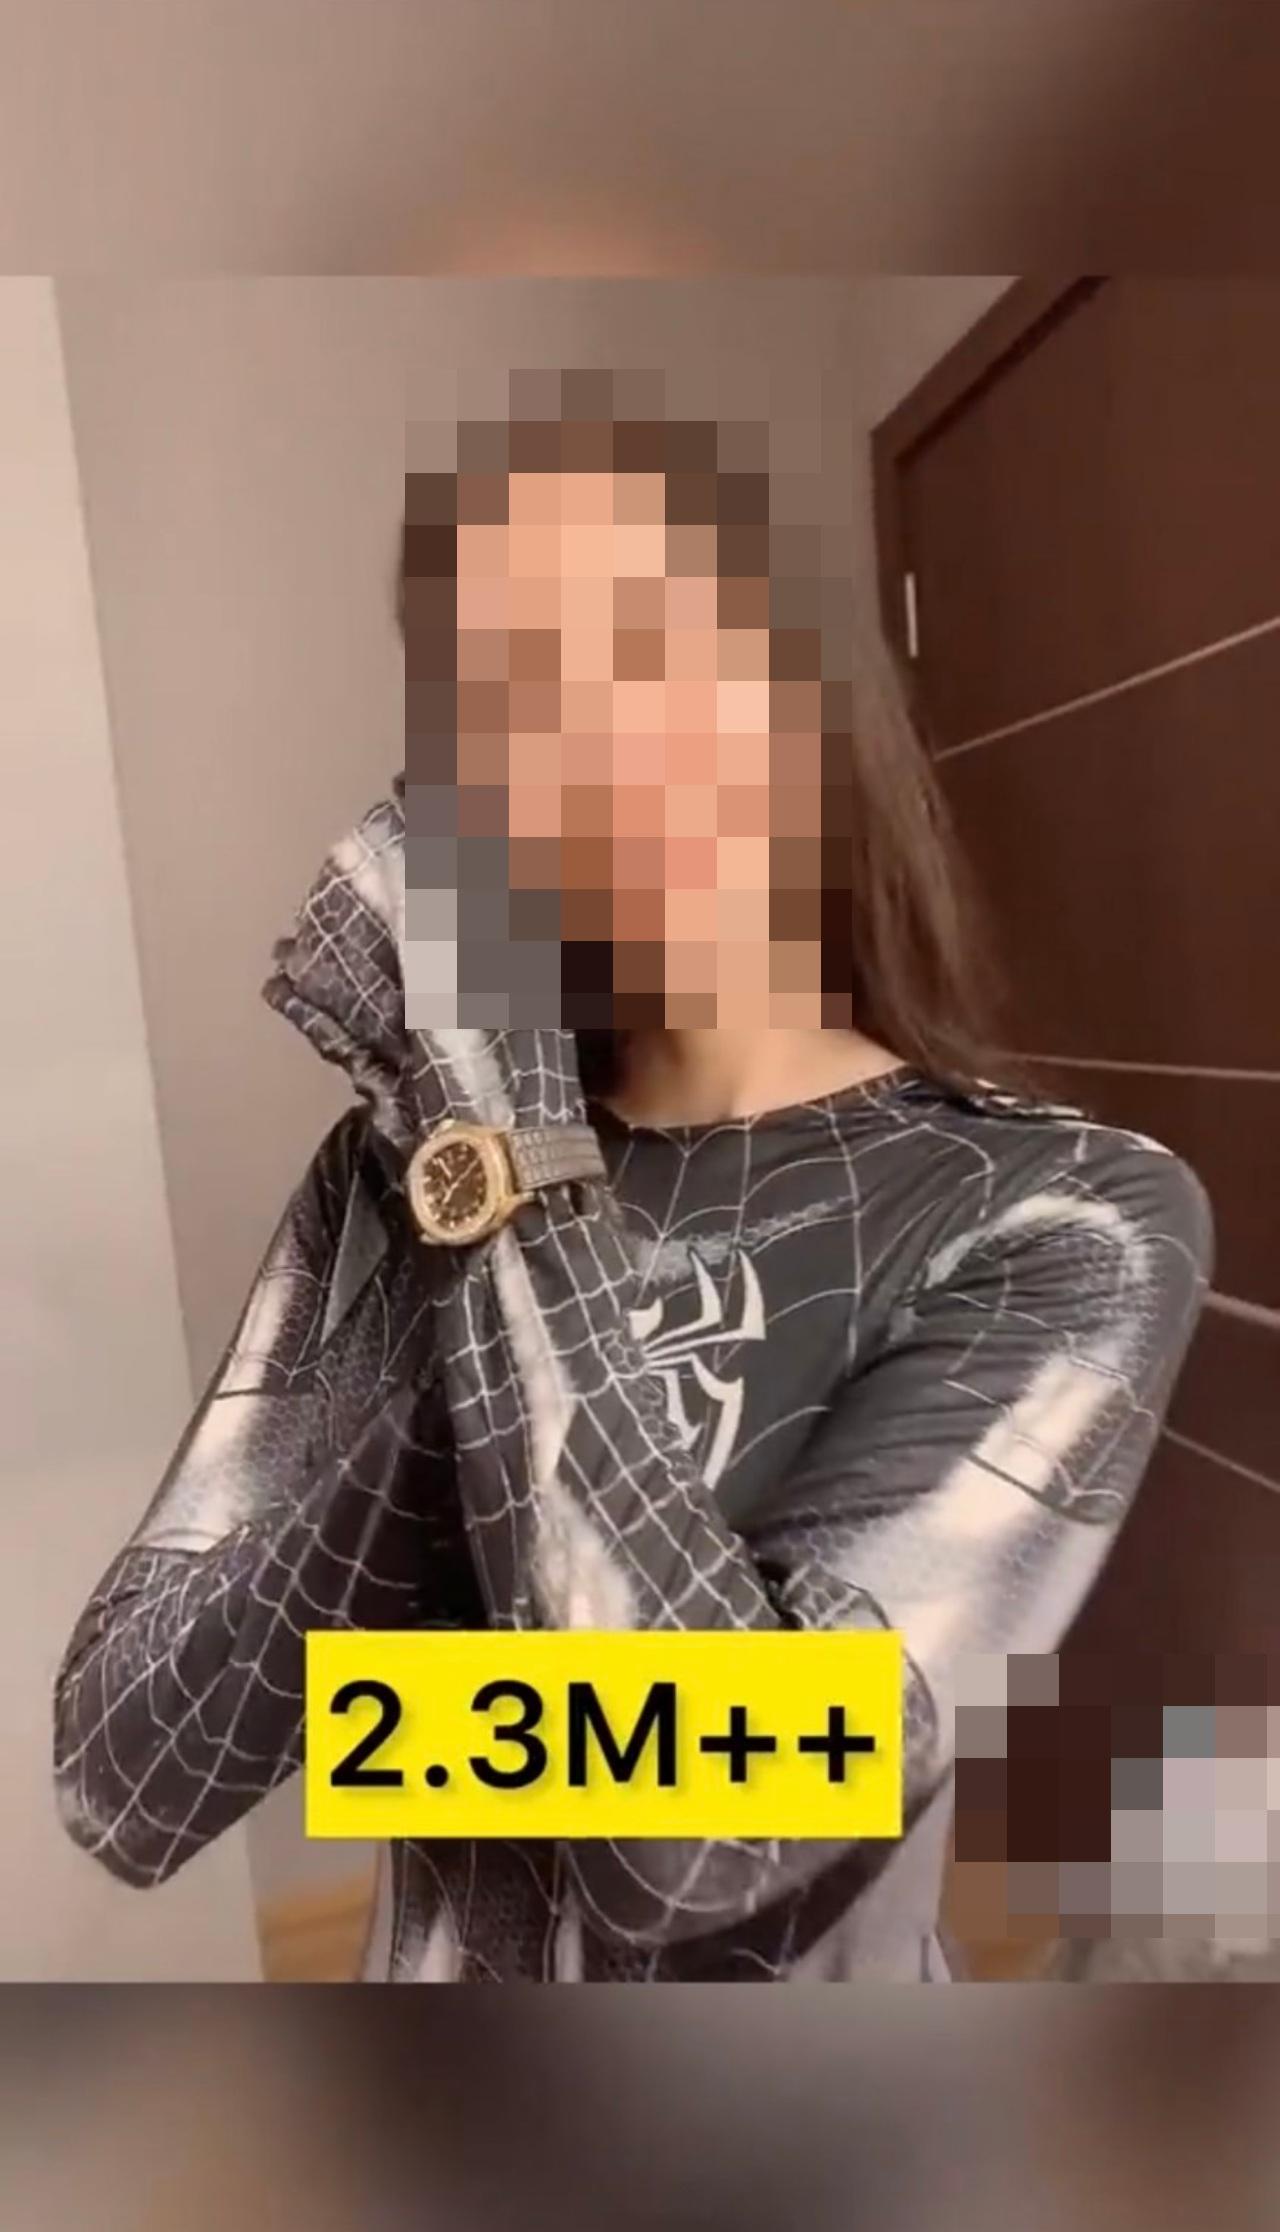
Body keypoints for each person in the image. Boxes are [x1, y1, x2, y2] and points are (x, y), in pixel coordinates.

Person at [53, 381, 1212, 1981]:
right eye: (500, 696)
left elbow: (709, 1834)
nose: (580, 748)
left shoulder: (1067, 1217)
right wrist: (468, 1210)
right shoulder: (408, 1173)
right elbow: (123, 1774)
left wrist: (388, 1712)